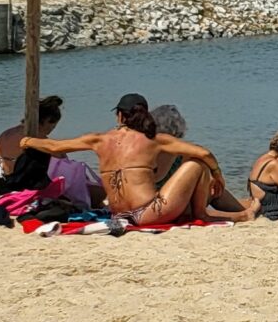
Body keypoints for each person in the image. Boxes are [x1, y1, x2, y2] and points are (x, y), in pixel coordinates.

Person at [19, 92, 249, 226]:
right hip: (150, 213)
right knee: (196, 164)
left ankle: (203, 213)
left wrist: (27, 141)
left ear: (119, 115)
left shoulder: (98, 139)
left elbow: (53, 145)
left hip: (119, 215)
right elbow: (205, 153)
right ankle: (202, 214)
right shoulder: (154, 140)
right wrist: (218, 176)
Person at [150, 103, 244, 215]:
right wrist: (217, 174)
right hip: (165, 206)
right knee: (207, 179)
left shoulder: (146, 147)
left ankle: (246, 207)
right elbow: (205, 154)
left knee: (210, 185)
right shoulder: (176, 149)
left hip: (153, 203)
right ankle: (244, 210)